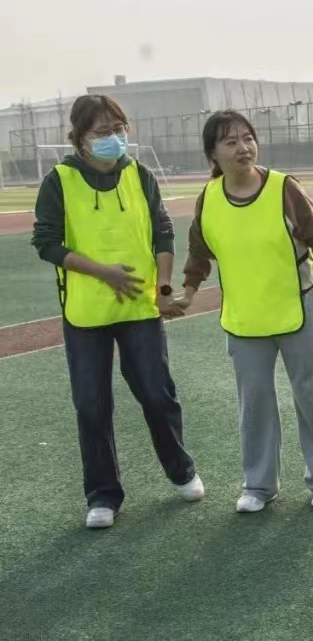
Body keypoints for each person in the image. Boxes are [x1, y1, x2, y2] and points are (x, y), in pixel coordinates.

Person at [180, 111, 313, 513]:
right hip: (244, 319)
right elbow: (199, 251)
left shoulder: (284, 188)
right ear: (213, 154)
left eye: (248, 138)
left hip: (296, 308)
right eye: (231, 141)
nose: (243, 148)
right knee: (255, 405)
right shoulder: (208, 198)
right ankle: (259, 485)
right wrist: (188, 291)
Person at [31, 94, 203, 529]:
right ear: (79, 138)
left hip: (141, 308)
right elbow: (46, 243)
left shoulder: (140, 174)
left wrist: (164, 289)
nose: (114, 138)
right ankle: (103, 496)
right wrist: (103, 272)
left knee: (157, 394)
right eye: (102, 132)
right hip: (86, 312)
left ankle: (181, 469)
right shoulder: (59, 181)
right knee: (92, 405)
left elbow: (162, 231)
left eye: (119, 129)